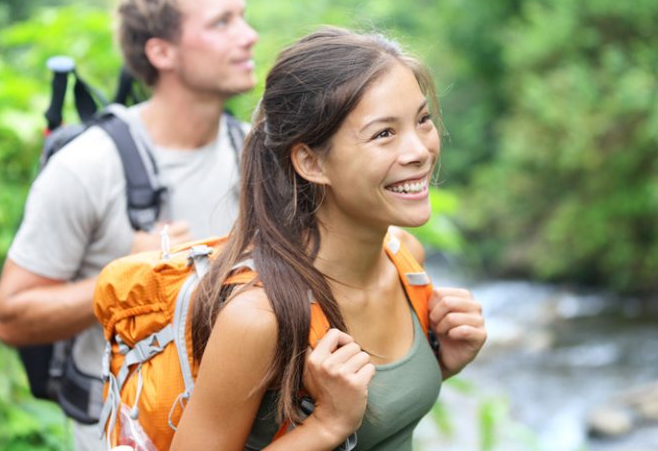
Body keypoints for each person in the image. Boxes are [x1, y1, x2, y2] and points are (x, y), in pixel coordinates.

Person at [172, 26, 487, 450]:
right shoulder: (259, 319)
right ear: (311, 162)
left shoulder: (404, 260)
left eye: (422, 120)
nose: (419, 150)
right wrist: (326, 425)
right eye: (383, 133)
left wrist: (438, 362)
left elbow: (381, 416)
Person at [0, 0, 258, 450]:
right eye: (222, 22)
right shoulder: (89, 165)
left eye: (242, 16)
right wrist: (130, 277)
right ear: (162, 52)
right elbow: (12, 316)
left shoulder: (257, 154)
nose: (249, 35)